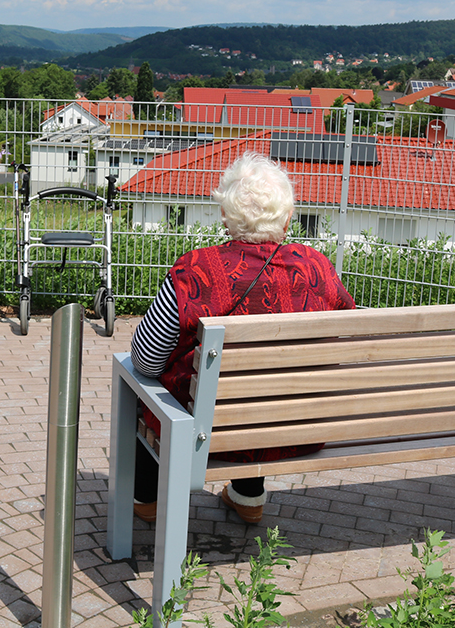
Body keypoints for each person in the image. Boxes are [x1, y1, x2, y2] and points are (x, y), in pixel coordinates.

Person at [129, 151, 354, 524]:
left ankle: (147, 500)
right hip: (295, 428)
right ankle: (248, 498)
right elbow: (348, 334)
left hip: (209, 432)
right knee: (268, 381)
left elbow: (147, 360)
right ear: (287, 216)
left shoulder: (195, 270)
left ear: (225, 215)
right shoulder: (317, 266)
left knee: (143, 388)